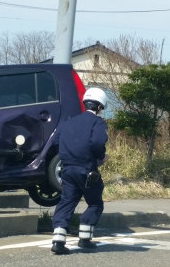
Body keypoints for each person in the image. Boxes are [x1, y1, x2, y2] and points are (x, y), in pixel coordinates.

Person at [50, 87, 109, 255]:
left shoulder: (68, 122)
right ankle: (84, 239)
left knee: (67, 201)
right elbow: (98, 143)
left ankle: (58, 241)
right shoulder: (98, 122)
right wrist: (100, 157)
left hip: (67, 170)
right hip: (87, 171)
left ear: (85, 104)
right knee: (95, 202)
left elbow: (55, 142)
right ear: (99, 107)